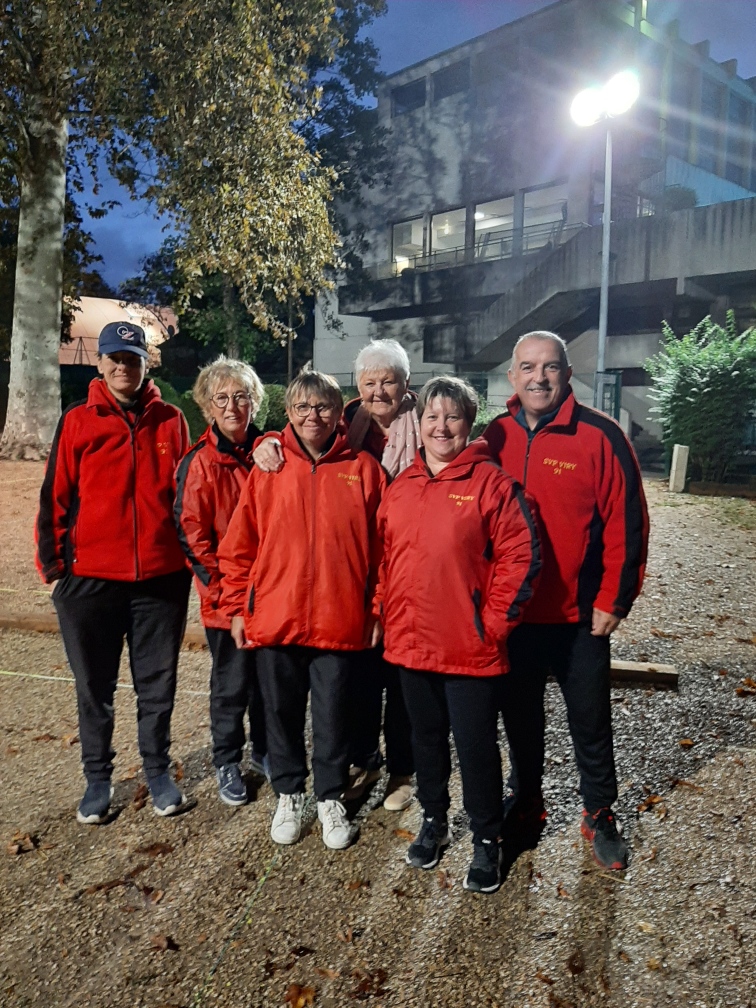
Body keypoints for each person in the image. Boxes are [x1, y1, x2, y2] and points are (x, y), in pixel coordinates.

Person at [483, 330, 649, 870]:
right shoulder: (494, 435)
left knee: (590, 718)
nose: (539, 377)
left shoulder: (601, 435)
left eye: (550, 367)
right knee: (520, 716)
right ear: (513, 376)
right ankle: (527, 798)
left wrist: (614, 599)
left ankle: (598, 810)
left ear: (567, 374)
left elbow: (628, 522)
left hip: (580, 616)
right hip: (518, 614)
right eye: (528, 367)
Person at [376, 376, 540, 893]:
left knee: (475, 746)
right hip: (410, 644)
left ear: (469, 424)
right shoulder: (401, 486)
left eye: (452, 417)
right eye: (432, 416)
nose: (441, 426)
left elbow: (522, 557)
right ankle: (434, 818)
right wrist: (384, 611)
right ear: (419, 423)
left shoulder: (493, 485)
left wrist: (491, 625)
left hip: (469, 647)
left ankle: (487, 837)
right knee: (425, 740)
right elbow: (385, 559)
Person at [218, 370, 386, 850]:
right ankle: (289, 793)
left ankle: (330, 797)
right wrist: (237, 608)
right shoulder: (268, 469)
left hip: (340, 618)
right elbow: (240, 545)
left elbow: (384, 550)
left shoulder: (365, 470)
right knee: (280, 712)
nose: (313, 416)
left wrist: (376, 608)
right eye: (302, 407)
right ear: (289, 413)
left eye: (323, 407)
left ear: (338, 413)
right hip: (277, 616)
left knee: (334, 715)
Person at [36, 321, 192, 823]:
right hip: (91, 580)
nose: (124, 366)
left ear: (146, 364)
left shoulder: (171, 420)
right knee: (94, 688)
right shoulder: (77, 420)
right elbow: (55, 495)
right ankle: (97, 779)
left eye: (133, 358)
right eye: (115, 358)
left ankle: (158, 772)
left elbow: (185, 498)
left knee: (157, 686)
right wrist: (55, 567)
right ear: (100, 363)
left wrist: (185, 561)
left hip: (160, 581)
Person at [253, 339, 418, 812]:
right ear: (358, 387)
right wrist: (268, 441)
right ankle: (363, 760)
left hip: (411, 570)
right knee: (358, 682)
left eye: (389, 381)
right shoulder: (346, 419)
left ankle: (403, 770)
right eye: (370, 381)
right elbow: (304, 430)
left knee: (404, 683)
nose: (379, 390)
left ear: (406, 384)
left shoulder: (428, 423)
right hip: (356, 580)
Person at [174, 357, 268, 807]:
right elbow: (193, 538)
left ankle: (266, 750)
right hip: (227, 599)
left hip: (271, 595)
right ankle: (227, 759)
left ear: (255, 402)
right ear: (207, 407)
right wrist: (229, 601)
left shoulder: (270, 452)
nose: (232, 406)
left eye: (241, 397)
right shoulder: (199, 463)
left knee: (269, 682)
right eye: (222, 398)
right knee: (231, 685)